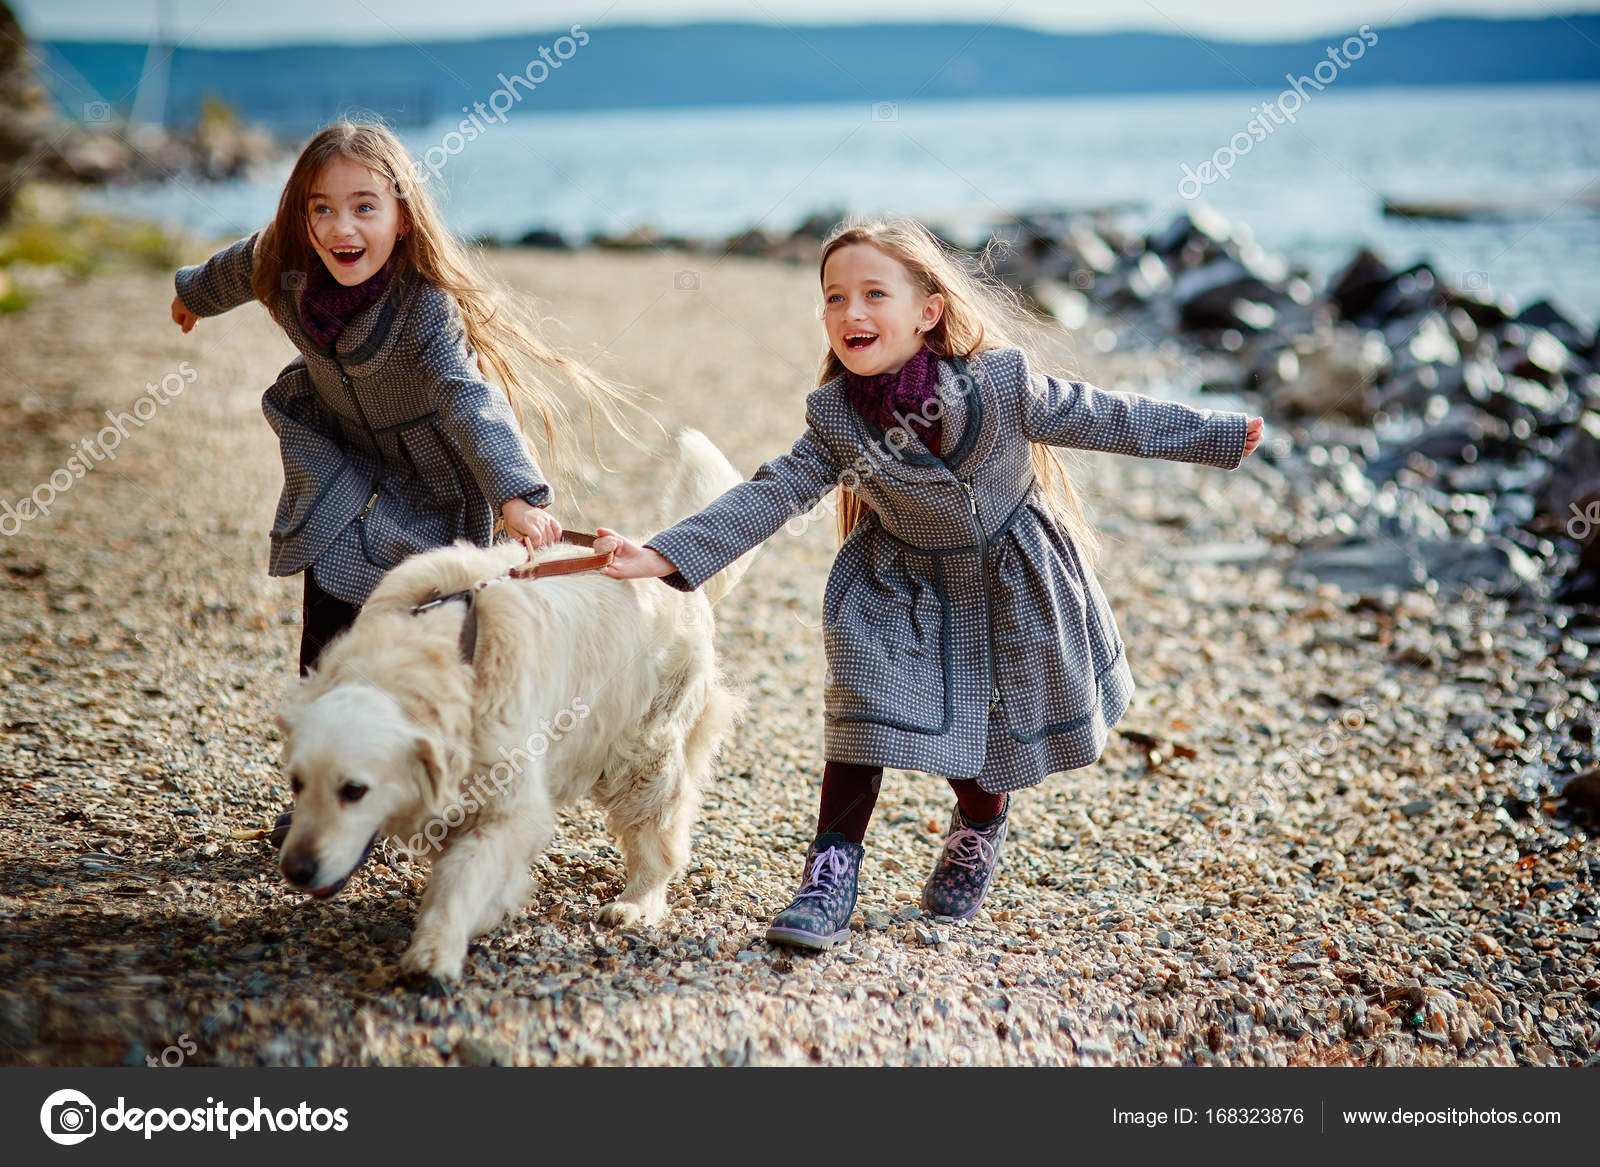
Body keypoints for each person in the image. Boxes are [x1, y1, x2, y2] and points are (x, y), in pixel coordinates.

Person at [598, 216, 1264, 949]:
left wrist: (1217, 433)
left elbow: (1107, 416)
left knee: (980, 738)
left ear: (927, 311)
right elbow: (773, 492)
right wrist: (666, 554)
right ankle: (829, 874)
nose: (851, 313)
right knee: (861, 711)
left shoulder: (1003, 385)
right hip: (899, 587)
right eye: (834, 298)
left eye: (873, 294)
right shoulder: (836, 419)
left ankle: (981, 817)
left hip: (1011, 578)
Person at [170, 119, 634, 675]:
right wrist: (192, 296)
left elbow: (468, 398)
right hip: (338, 448)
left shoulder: (423, 309)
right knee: (332, 575)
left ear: (403, 217)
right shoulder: (284, 263)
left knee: (427, 609)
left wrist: (516, 499)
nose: (341, 227)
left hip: (430, 475)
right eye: (322, 208)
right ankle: (323, 707)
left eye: (365, 207)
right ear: (302, 215)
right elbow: (237, 266)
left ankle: (423, 721)